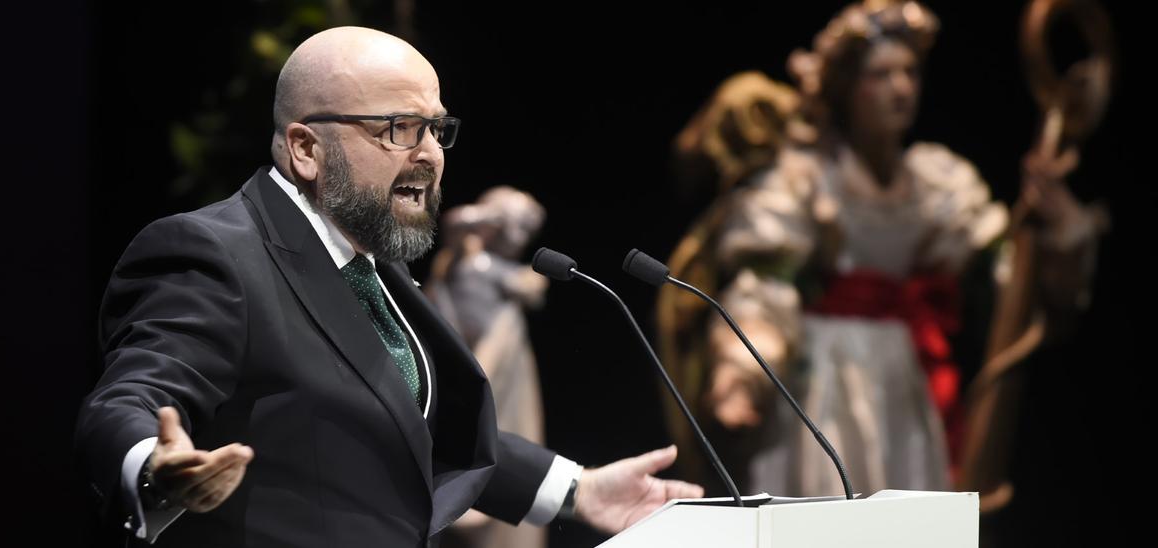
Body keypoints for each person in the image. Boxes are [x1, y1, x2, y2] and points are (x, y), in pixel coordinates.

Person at [76, 26, 701, 547]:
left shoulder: (366, 258)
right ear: (305, 149)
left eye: (437, 129)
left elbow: (407, 427)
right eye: (400, 128)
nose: (430, 154)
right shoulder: (212, 254)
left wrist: (578, 490)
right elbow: (129, 397)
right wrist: (153, 469)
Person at [658, 0, 1102, 498]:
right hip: (823, 386)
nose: (901, 89)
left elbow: (1012, 285)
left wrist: (1059, 233)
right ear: (846, 89)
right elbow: (763, 291)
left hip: (902, 390)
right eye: (881, 74)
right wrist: (742, 374)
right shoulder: (806, 181)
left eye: (910, 72)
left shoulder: (936, 184)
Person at [426, 187, 551, 548]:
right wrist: (491, 217)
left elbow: (533, 288)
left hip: (499, 373)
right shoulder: (464, 260)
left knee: (506, 440)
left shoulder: (504, 273)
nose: (519, 237)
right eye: (515, 226)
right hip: (455, 371)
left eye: (526, 230)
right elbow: (455, 223)